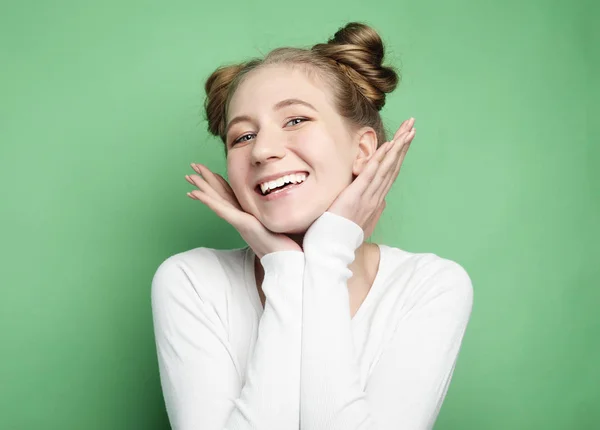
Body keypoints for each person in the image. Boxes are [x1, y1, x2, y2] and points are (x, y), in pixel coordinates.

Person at [150, 22, 474, 430]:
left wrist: (327, 255)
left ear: (362, 150)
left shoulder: (429, 286)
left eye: (295, 120)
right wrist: (285, 269)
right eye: (243, 136)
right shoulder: (192, 282)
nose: (263, 150)